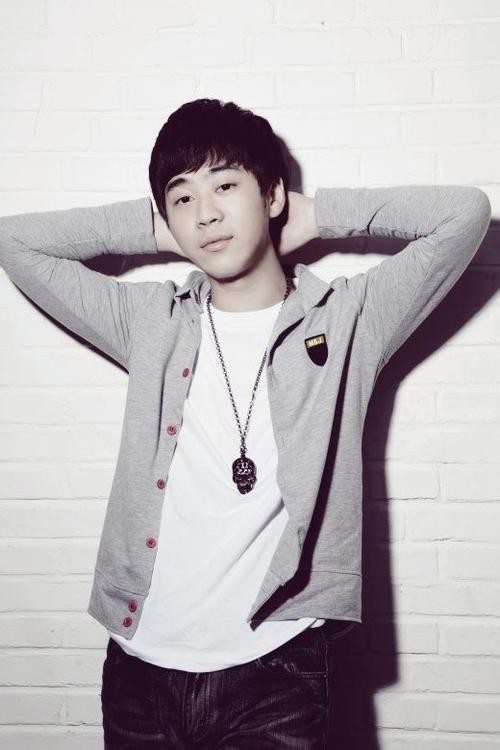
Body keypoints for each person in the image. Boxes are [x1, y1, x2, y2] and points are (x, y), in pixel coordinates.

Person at [0, 98, 491, 749]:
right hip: (139, 668)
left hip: (277, 670)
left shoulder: (348, 321)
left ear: (272, 194)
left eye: (226, 186)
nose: (205, 213)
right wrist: (157, 229)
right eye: (183, 197)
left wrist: (315, 214)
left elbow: (465, 214)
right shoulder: (150, 323)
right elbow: (15, 242)